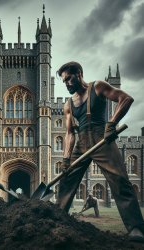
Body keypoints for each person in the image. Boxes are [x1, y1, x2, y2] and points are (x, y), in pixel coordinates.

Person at [56, 61, 144, 242]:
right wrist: (66, 159)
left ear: (79, 74)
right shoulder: (68, 105)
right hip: (81, 143)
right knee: (66, 181)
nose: (67, 84)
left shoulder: (97, 88)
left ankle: (136, 229)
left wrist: (111, 124)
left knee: (120, 180)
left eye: (69, 79)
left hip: (102, 140)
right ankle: (56, 222)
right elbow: (69, 133)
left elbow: (125, 99)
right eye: (64, 81)